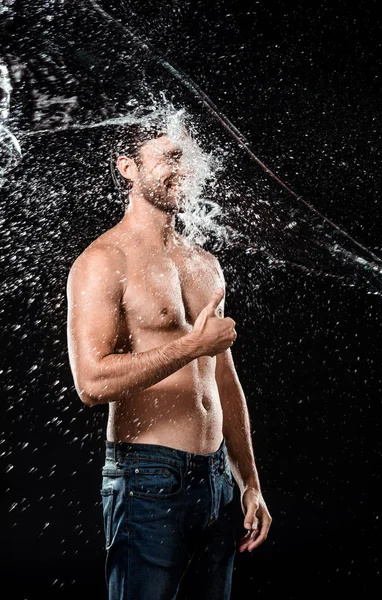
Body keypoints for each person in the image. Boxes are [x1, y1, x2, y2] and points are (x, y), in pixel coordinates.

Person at [66, 118, 272, 600]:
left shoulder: (204, 261)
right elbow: (91, 382)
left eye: (187, 158)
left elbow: (223, 379)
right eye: (169, 158)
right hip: (148, 478)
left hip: (218, 480)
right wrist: (190, 346)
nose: (184, 169)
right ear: (128, 169)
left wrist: (249, 481)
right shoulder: (103, 261)